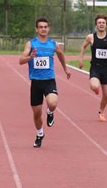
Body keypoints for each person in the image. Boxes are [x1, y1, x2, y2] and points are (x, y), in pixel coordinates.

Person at [20, 17, 71, 148]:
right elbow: (21, 60)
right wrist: (29, 57)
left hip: (49, 80)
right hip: (36, 83)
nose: (43, 29)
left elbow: (60, 54)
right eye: (41, 27)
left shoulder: (53, 45)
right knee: (36, 113)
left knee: (53, 103)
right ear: (36, 29)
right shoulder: (31, 44)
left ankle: (50, 112)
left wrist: (65, 68)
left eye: (45, 27)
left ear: (48, 29)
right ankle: (40, 134)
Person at [78, 13, 107, 122]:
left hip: (106, 69)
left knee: (106, 95)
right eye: (99, 23)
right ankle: (96, 89)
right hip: (95, 68)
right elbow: (83, 46)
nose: (101, 24)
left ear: (106, 25)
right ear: (96, 25)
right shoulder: (91, 37)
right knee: (94, 86)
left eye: (103, 23)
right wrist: (81, 59)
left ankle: (101, 111)